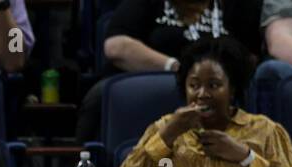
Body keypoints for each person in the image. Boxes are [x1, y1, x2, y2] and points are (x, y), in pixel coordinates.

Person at [118, 36, 292, 167]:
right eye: (193, 85)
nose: (202, 94)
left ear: (232, 90)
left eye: (213, 85)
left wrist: (246, 157)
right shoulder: (165, 129)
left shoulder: (265, 131)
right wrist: (167, 136)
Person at [78, 0, 262, 139]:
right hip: (151, 81)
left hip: (218, 86)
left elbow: (250, 57)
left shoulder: (238, 4)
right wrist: (176, 68)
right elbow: (116, 46)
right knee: (102, 93)